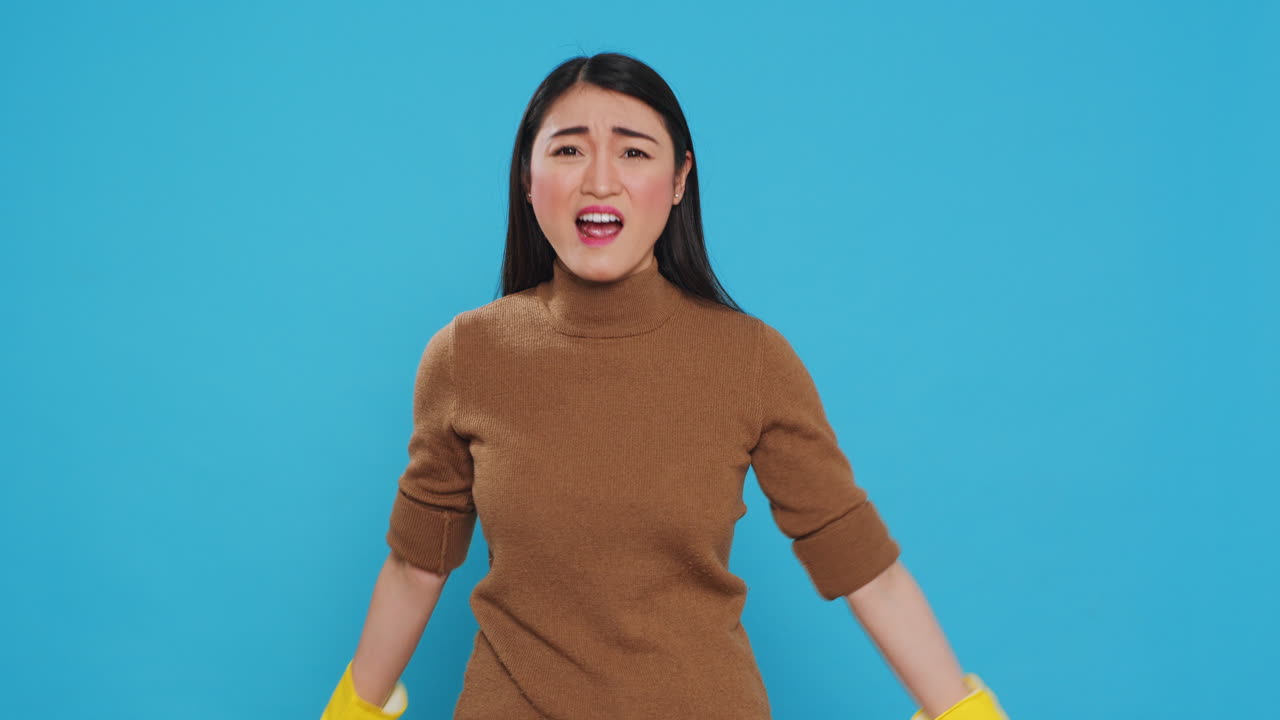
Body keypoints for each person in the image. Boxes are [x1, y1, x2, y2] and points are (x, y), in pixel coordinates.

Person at [321, 52, 1009, 720]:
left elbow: (865, 569)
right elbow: (417, 566)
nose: (599, 181)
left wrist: (965, 713)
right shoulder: (465, 355)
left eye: (633, 151)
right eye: (568, 150)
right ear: (528, 178)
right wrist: (351, 712)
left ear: (679, 180)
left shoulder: (752, 360)